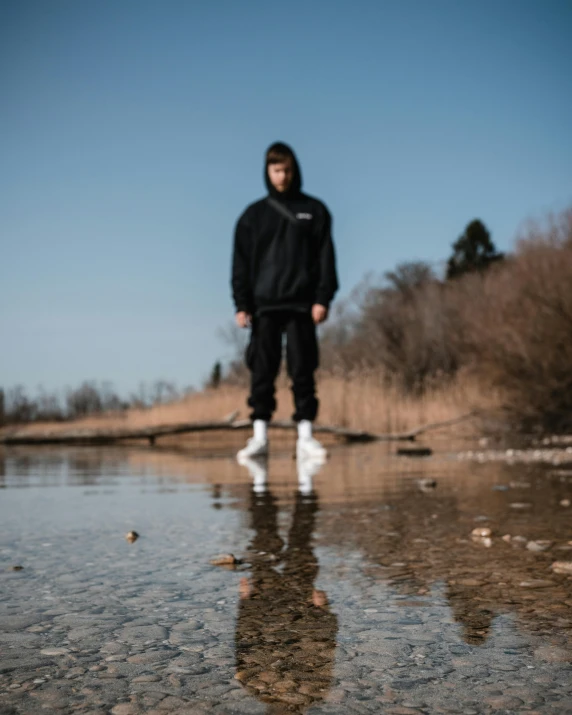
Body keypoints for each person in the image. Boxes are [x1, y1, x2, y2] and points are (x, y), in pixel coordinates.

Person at [231, 142, 339, 461]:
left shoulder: (315, 211)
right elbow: (240, 263)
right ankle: (259, 436)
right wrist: (241, 303)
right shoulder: (253, 216)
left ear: (295, 170)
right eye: (276, 170)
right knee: (261, 371)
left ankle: (305, 435)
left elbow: (326, 259)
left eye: (286, 169)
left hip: (302, 306)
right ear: (267, 172)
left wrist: (323, 298)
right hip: (264, 307)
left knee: (303, 368)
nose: (282, 176)